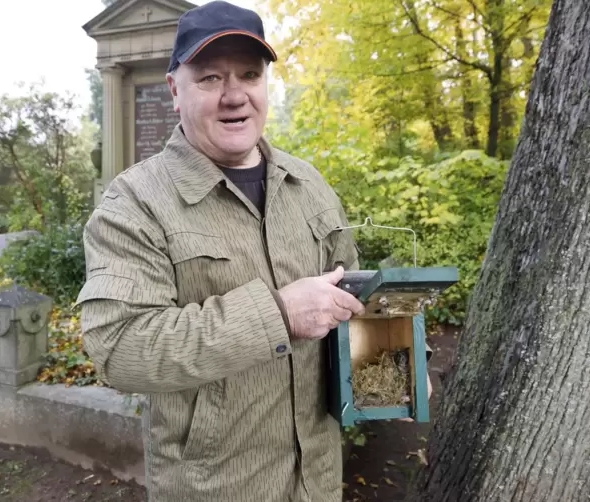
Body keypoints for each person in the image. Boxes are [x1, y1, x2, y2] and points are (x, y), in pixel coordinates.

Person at [77, 1, 430, 501]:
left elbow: (360, 299)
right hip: (214, 488)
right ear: (175, 90)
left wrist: (406, 358)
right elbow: (121, 350)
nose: (234, 95)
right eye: (210, 78)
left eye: (249, 73)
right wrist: (278, 314)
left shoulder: (308, 185)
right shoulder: (134, 204)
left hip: (317, 480)